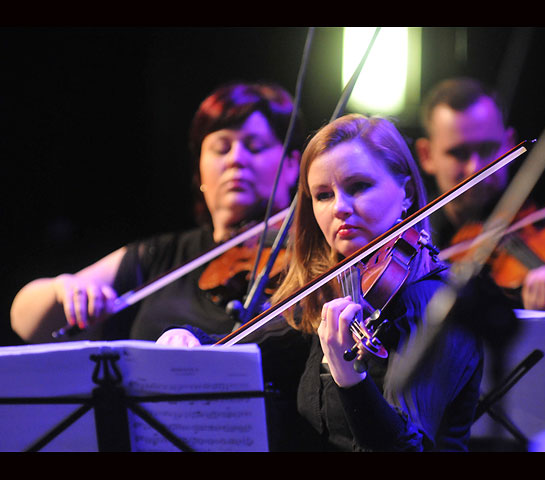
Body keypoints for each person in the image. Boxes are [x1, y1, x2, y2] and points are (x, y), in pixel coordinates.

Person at [160, 114, 485, 451]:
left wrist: (350, 379)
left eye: (359, 186)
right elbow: (256, 346)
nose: (340, 208)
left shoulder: (438, 303)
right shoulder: (332, 289)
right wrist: (191, 340)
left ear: (406, 193)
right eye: (323, 195)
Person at [10, 81, 304, 344]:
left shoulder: (307, 250)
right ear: (199, 168)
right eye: (221, 148)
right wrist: (66, 287)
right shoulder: (161, 256)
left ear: (292, 164)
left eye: (254, 147)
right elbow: (28, 324)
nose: (236, 159)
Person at [414, 77, 545, 329]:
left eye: (488, 149)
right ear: (426, 155)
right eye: (458, 153)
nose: (476, 168)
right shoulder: (419, 251)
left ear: (509, 144)